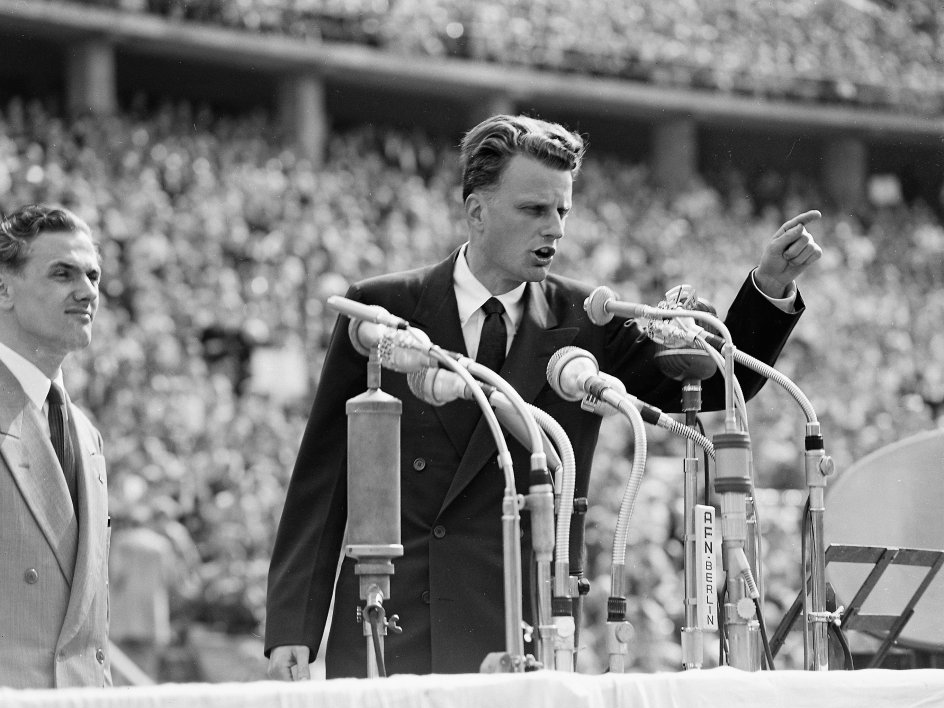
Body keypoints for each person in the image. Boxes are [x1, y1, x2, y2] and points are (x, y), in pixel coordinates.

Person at [265, 114, 823, 679]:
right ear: (477, 211)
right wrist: (293, 624)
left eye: (562, 211)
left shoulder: (588, 318)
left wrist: (769, 288)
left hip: (524, 629)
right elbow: (326, 472)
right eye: (534, 210)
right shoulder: (382, 310)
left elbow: (709, 385)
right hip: (393, 624)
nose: (554, 228)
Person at [0, 203, 111, 688]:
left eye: (92, 275)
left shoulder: (86, 436)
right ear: (3, 288)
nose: (87, 291)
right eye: (62, 273)